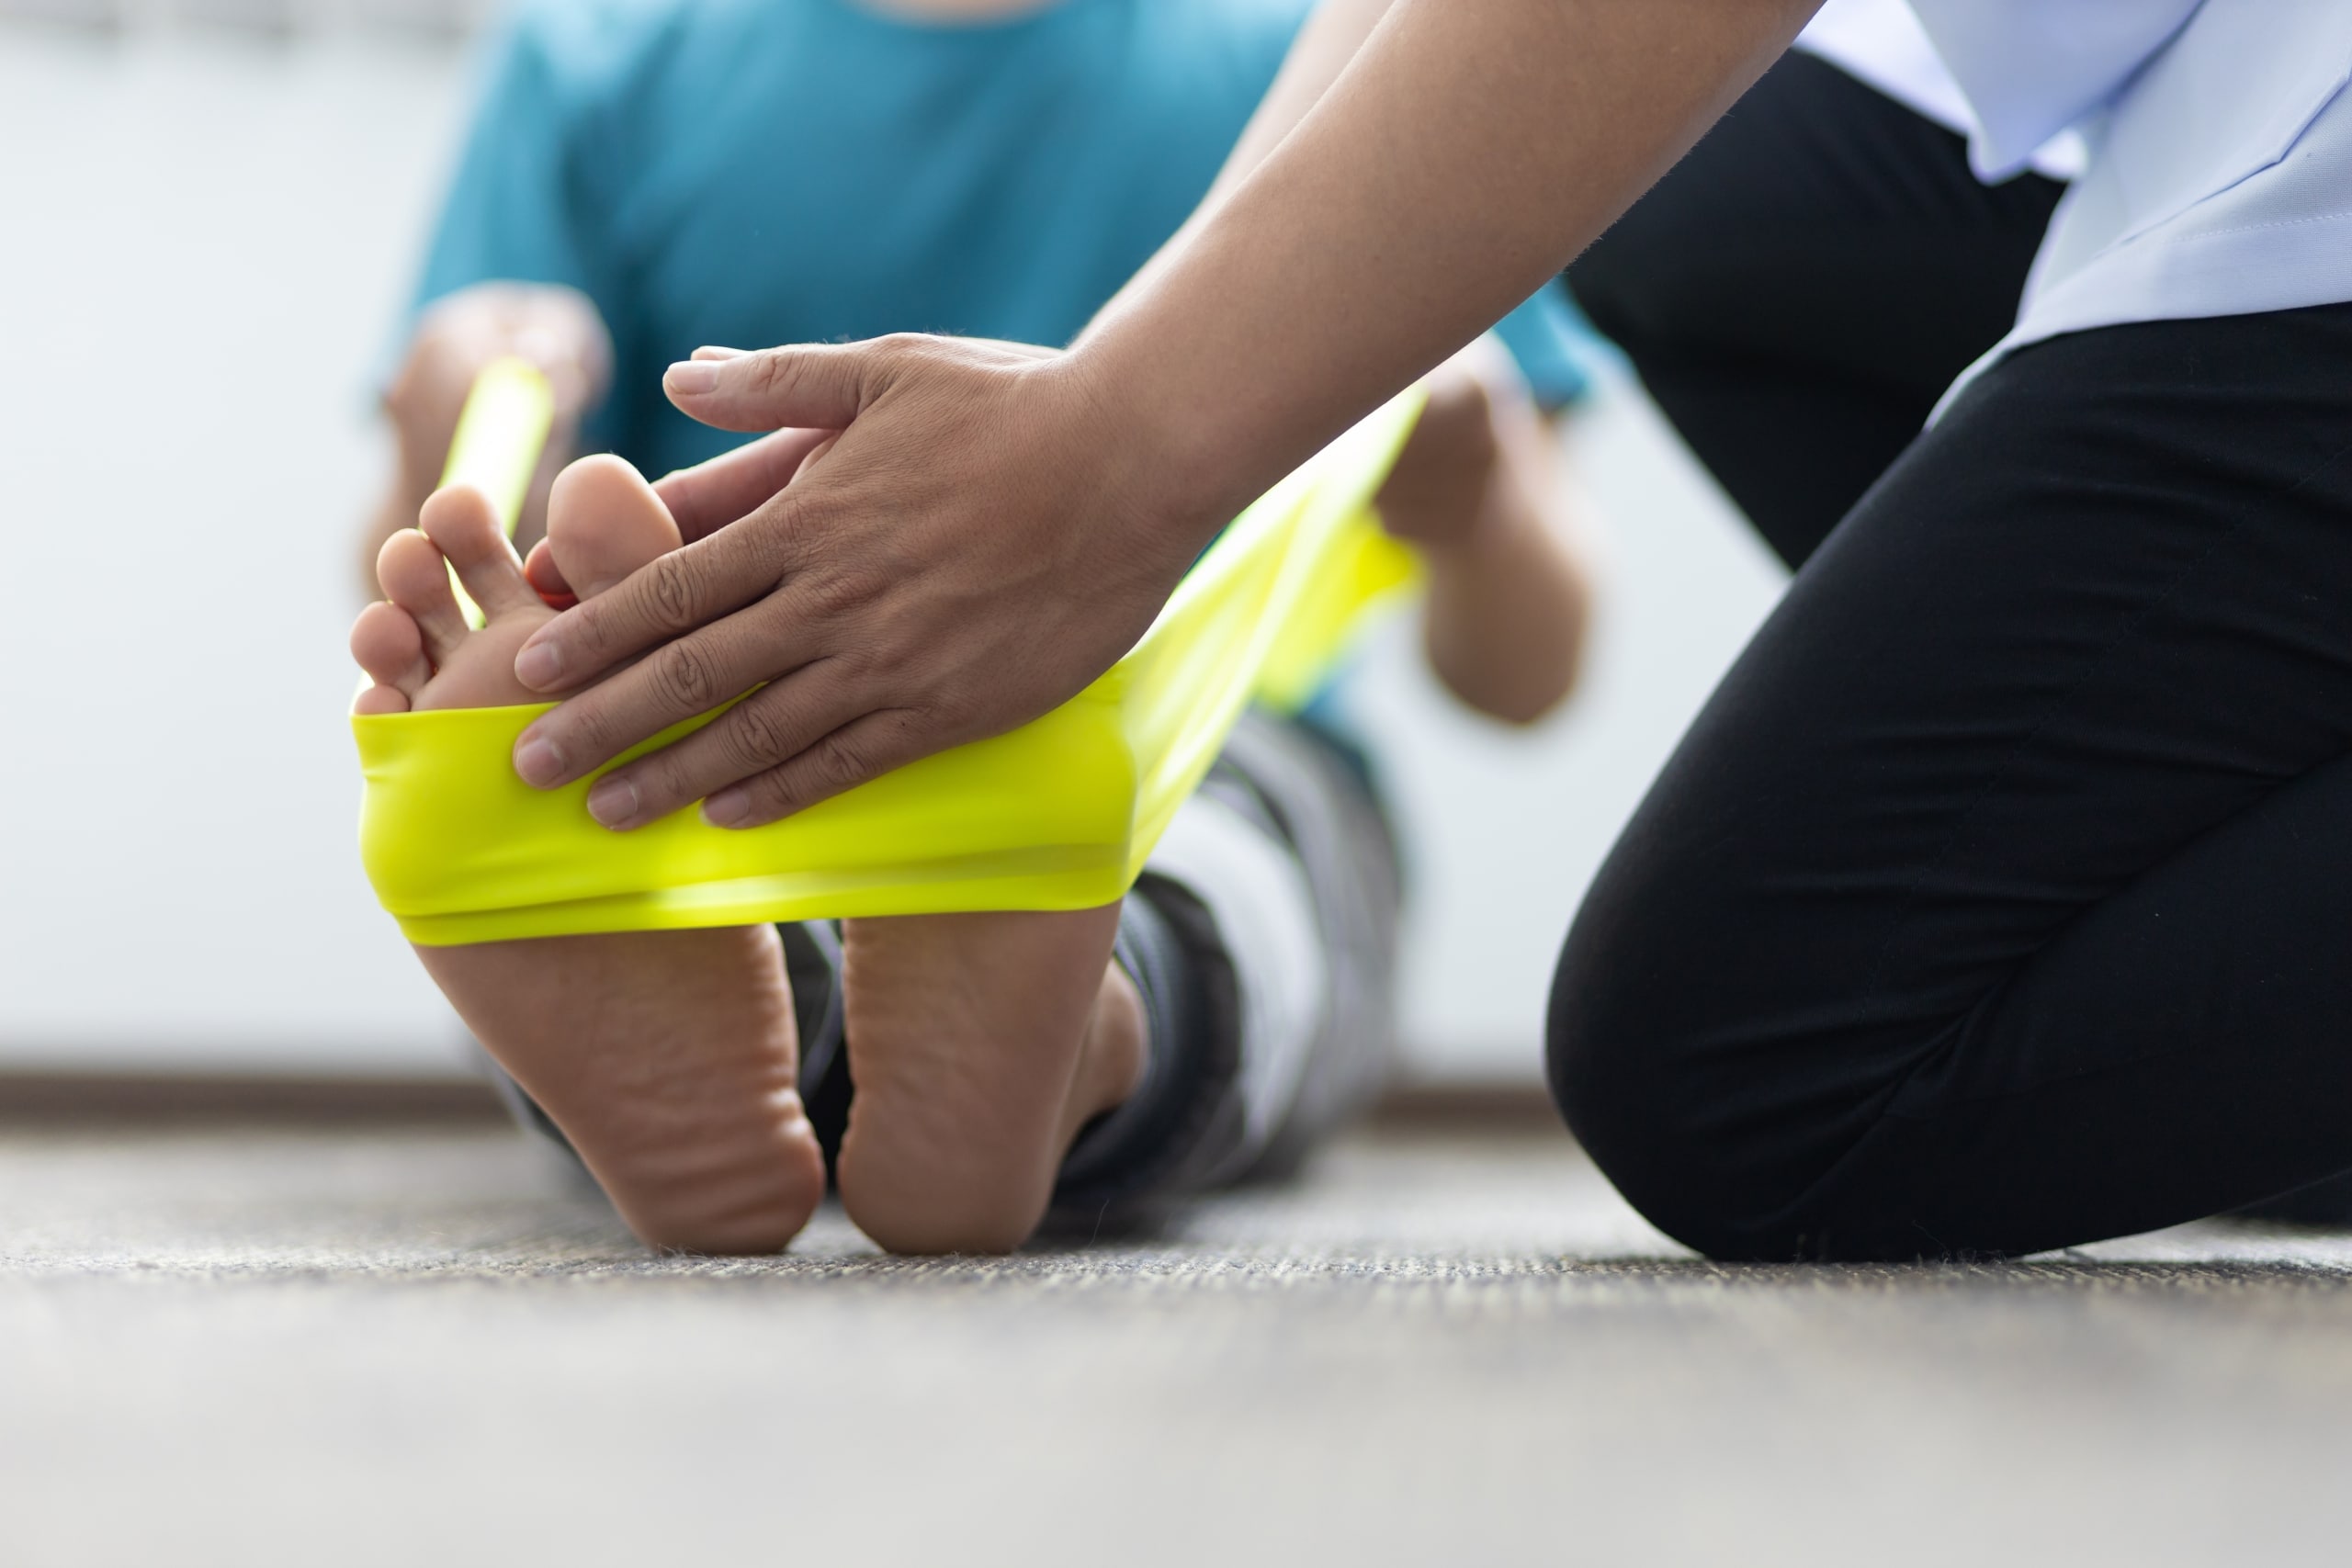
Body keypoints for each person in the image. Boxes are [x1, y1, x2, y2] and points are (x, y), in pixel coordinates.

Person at [481, 0, 2352, 1263]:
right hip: (840, 722)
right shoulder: (619, 58)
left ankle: (1081, 1029)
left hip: (1236, 733)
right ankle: (836, 1000)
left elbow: (1521, 649)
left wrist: (1151, 465)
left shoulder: (1232, 52)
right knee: (1682, 190)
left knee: (1692, 1042)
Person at [355, 0, 1596, 1255]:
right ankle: (1072, 1013)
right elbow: (432, 588)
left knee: (1195, 836)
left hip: (1190, 729)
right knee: (1178, 865)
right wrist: (449, 422)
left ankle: (1050, 1006)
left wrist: (1474, 493)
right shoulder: (599, 60)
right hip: (738, 728)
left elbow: (1527, 665)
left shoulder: (1351, 64)